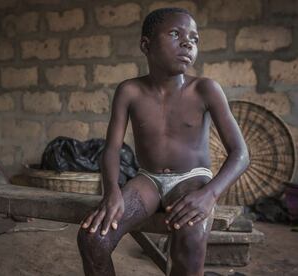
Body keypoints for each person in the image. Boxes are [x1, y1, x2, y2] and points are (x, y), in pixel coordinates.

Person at [77, 7, 249, 276]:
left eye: (194, 38)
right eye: (175, 34)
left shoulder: (205, 89)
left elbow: (240, 153)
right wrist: (111, 192)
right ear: (146, 45)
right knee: (93, 238)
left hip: (193, 179)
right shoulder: (129, 91)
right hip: (148, 180)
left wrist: (209, 194)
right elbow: (111, 149)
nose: (187, 43)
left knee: (190, 239)